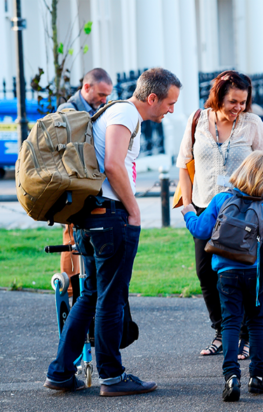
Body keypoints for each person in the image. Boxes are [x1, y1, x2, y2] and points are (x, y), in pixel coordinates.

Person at [44, 68, 181, 396]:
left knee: (90, 295)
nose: (171, 110)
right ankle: (112, 375)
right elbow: (114, 164)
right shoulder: (126, 113)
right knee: (110, 298)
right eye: (170, 103)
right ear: (152, 98)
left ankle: (61, 372)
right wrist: (133, 210)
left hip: (90, 219)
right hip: (110, 219)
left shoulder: (112, 111)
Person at [182, 151, 263, 402]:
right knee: (255, 322)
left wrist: (188, 212)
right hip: (254, 275)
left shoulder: (221, 200)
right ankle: (257, 377)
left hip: (226, 275)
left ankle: (231, 377)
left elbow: (199, 230)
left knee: (230, 322)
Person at [176, 70, 263, 359]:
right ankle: (221, 330)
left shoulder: (252, 124)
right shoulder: (197, 121)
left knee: (242, 272)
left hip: (241, 211)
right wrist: (189, 204)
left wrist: (260, 205)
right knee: (206, 273)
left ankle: (244, 335)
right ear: (218, 96)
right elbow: (184, 164)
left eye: (243, 102)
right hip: (206, 207)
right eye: (233, 101)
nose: (238, 108)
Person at [57, 68, 114, 304]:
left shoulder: (96, 108)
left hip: (89, 184)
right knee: (72, 238)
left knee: (83, 241)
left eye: (107, 95)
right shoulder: (68, 111)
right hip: (73, 185)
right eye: (101, 94)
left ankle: (86, 293)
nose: (105, 100)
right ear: (86, 87)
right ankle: (69, 292)